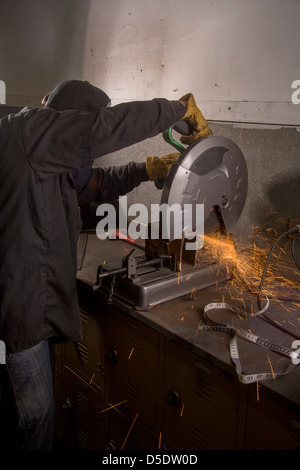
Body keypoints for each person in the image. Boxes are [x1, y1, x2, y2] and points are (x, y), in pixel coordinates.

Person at [0, 79, 211, 450]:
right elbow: (108, 127)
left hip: (30, 304)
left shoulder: (46, 150)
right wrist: (177, 110)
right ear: (69, 120)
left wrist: (147, 169)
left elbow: (92, 183)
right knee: (34, 417)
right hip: (18, 311)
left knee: (26, 412)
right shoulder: (31, 131)